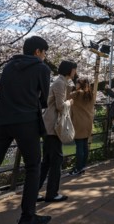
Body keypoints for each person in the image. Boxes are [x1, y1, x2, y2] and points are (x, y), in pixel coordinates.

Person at [0, 36, 51, 224]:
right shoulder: (42, 68)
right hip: (27, 122)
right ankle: (27, 217)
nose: (45, 56)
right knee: (33, 167)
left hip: (3, 121)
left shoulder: (8, 67)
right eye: (44, 52)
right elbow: (44, 100)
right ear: (38, 51)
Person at [38, 60, 76, 202]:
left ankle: (35, 191)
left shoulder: (61, 82)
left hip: (50, 125)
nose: (75, 73)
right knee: (56, 159)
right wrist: (70, 102)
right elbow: (60, 106)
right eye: (74, 70)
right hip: (53, 126)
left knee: (47, 161)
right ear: (70, 70)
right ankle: (52, 193)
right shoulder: (60, 83)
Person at [69, 77, 95, 175]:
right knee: (84, 145)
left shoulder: (77, 93)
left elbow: (66, 96)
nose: (75, 84)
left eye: (77, 83)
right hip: (88, 122)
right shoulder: (90, 94)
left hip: (78, 122)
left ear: (80, 84)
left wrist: (71, 88)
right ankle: (83, 166)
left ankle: (78, 168)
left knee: (79, 146)